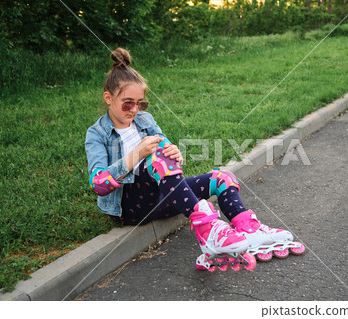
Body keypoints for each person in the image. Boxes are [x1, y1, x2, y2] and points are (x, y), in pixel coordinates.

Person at [85, 48, 304, 272]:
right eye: (127, 103)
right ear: (108, 98)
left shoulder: (144, 119)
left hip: (162, 194)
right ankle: (209, 231)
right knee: (156, 158)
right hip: (131, 206)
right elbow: (98, 184)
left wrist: (173, 151)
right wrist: (137, 155)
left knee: (222, 178)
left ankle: (249, 231)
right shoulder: (97, 134)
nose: (135, 109)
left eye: (140, 103)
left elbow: (164, 147)